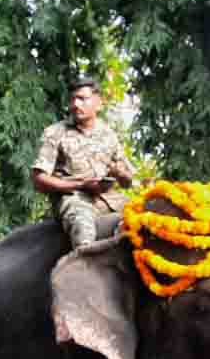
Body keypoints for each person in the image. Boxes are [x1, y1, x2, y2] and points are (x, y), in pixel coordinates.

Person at [31, 77, 137, 250]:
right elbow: (38, 179)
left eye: (82, 98)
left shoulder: (108, 134)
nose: (75, 104)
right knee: (83, 228)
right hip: (74, 198)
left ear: (98, 103)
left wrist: (120, 173)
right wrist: (79, 184)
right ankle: (82, 269)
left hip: (110, 198)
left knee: (146, 217)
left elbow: (128, 181)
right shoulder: (55, 132)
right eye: (72, 99)